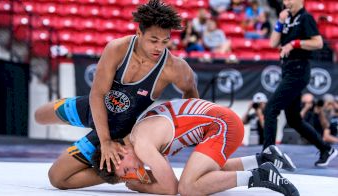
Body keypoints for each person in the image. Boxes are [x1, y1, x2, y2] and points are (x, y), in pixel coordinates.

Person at [34, 0, 199, 189]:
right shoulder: (117, 49)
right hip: (92, 108)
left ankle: (128, 175)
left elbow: (191, 91)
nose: (159, 48)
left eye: (165, 41)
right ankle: (118, 160)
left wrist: (181, 132)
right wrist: (104, 142)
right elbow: (97, 95)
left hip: (118, 131)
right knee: (39, 116)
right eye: (153, 40)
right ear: (139, 33)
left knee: (57, 178)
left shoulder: (173, 67)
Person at [92, 98, 299, 195]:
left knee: (188, 187)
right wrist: (140, 180)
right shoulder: (140, 135)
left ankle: (259, 175)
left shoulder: (142, 144)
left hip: (222, 125)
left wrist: (138, 186)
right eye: (128, 174)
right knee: (201, 174)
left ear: (121, 150)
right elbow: (165, 177)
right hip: (219, 122)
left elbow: (171, 188)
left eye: (126, 169)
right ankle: (263, 159)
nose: (133, 172)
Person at [265, 0, 337, 167]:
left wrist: (294, 43)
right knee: (294, 119)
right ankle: (326, 149)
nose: (286, 2)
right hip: (287, 70)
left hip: (299, 70)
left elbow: (318, 42)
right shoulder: (287, 18)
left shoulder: (306, 18)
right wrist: (279, 22)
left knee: (271, 109)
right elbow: (272, 43)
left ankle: (267, 156)